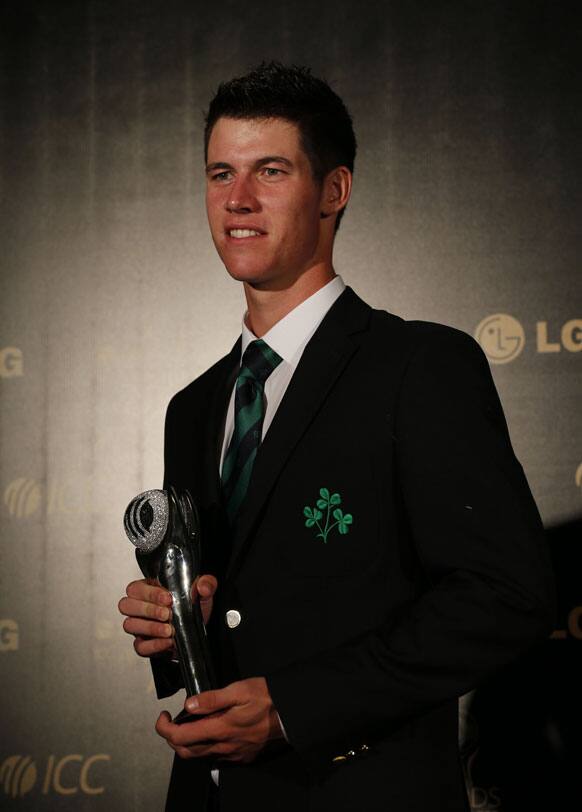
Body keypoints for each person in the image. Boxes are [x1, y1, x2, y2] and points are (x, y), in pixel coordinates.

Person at [118, 62, 554, 812]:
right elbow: (229, 613)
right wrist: (174, 623)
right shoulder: (191, 407)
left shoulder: (419, 366)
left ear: (334, 190)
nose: (238, 200)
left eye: (271, 171)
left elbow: (507, 594)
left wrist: (292, 707)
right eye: (220, 173)